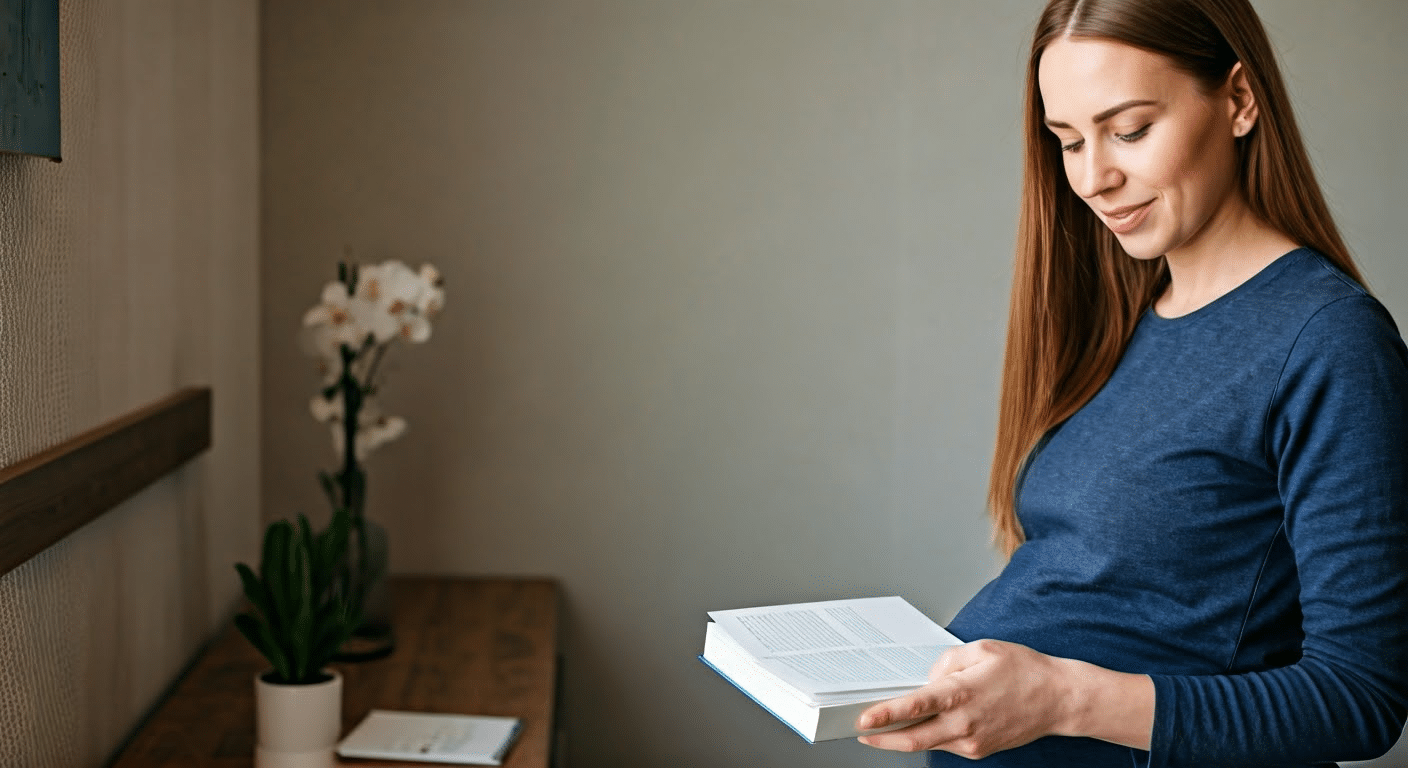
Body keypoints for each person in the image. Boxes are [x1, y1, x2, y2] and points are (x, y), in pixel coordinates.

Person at [855, 0, 1408, 765]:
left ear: (1239, 101)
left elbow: (1359, 698)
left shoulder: (1330, 341)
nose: (1092, 178)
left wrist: (1062, 698)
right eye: (1069, 141)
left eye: (1130, 130)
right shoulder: (1127, 319)